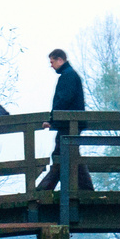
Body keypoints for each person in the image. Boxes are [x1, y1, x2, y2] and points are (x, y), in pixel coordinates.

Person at [37, 49, 94, 192]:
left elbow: (63, 99)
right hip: (70, 123)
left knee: (60, 155)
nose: (51, 66)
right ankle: (87, 190)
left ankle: (44, 190)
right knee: (71, 155)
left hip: (68, 124)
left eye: (52, 62)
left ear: (60, 60)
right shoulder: (70, 75)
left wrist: (52, 119)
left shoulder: (67, 76)